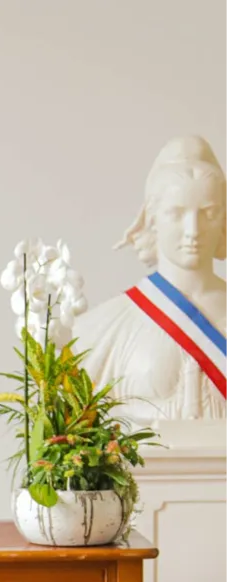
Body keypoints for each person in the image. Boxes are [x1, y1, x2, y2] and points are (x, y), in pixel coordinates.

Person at [73, 135, 228, 424]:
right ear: (152, 218)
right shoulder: (101, 332)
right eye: (177, 214)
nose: (193, 230)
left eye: (208, 213)